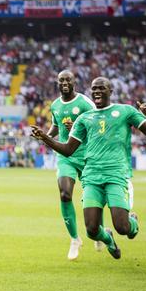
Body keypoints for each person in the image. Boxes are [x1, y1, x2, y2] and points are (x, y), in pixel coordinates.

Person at [30, 77, 146, 260]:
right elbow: (68, 150)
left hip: (115, 175)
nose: (97, 91)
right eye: (94, 89)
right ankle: (108, 239)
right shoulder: (84, 119)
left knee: (123, 227)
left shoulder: (125, 111)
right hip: (92, 177)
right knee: (92, 230)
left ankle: (133, 223)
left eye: (101, 88)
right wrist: (46, 138)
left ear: (110, 92)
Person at [46, 70, 95, 260]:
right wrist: (46, 136)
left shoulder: (84, 103)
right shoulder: (55, 105)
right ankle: (75, 239)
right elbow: (56, 126)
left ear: (74, 82)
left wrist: (77, 127)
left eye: (68, 79)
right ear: (57, 83)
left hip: (86, 155)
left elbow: (99, 125)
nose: (64, 82)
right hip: (65, 155)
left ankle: (98, 231)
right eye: (61, 80)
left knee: (93, 199)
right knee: (65, 194)